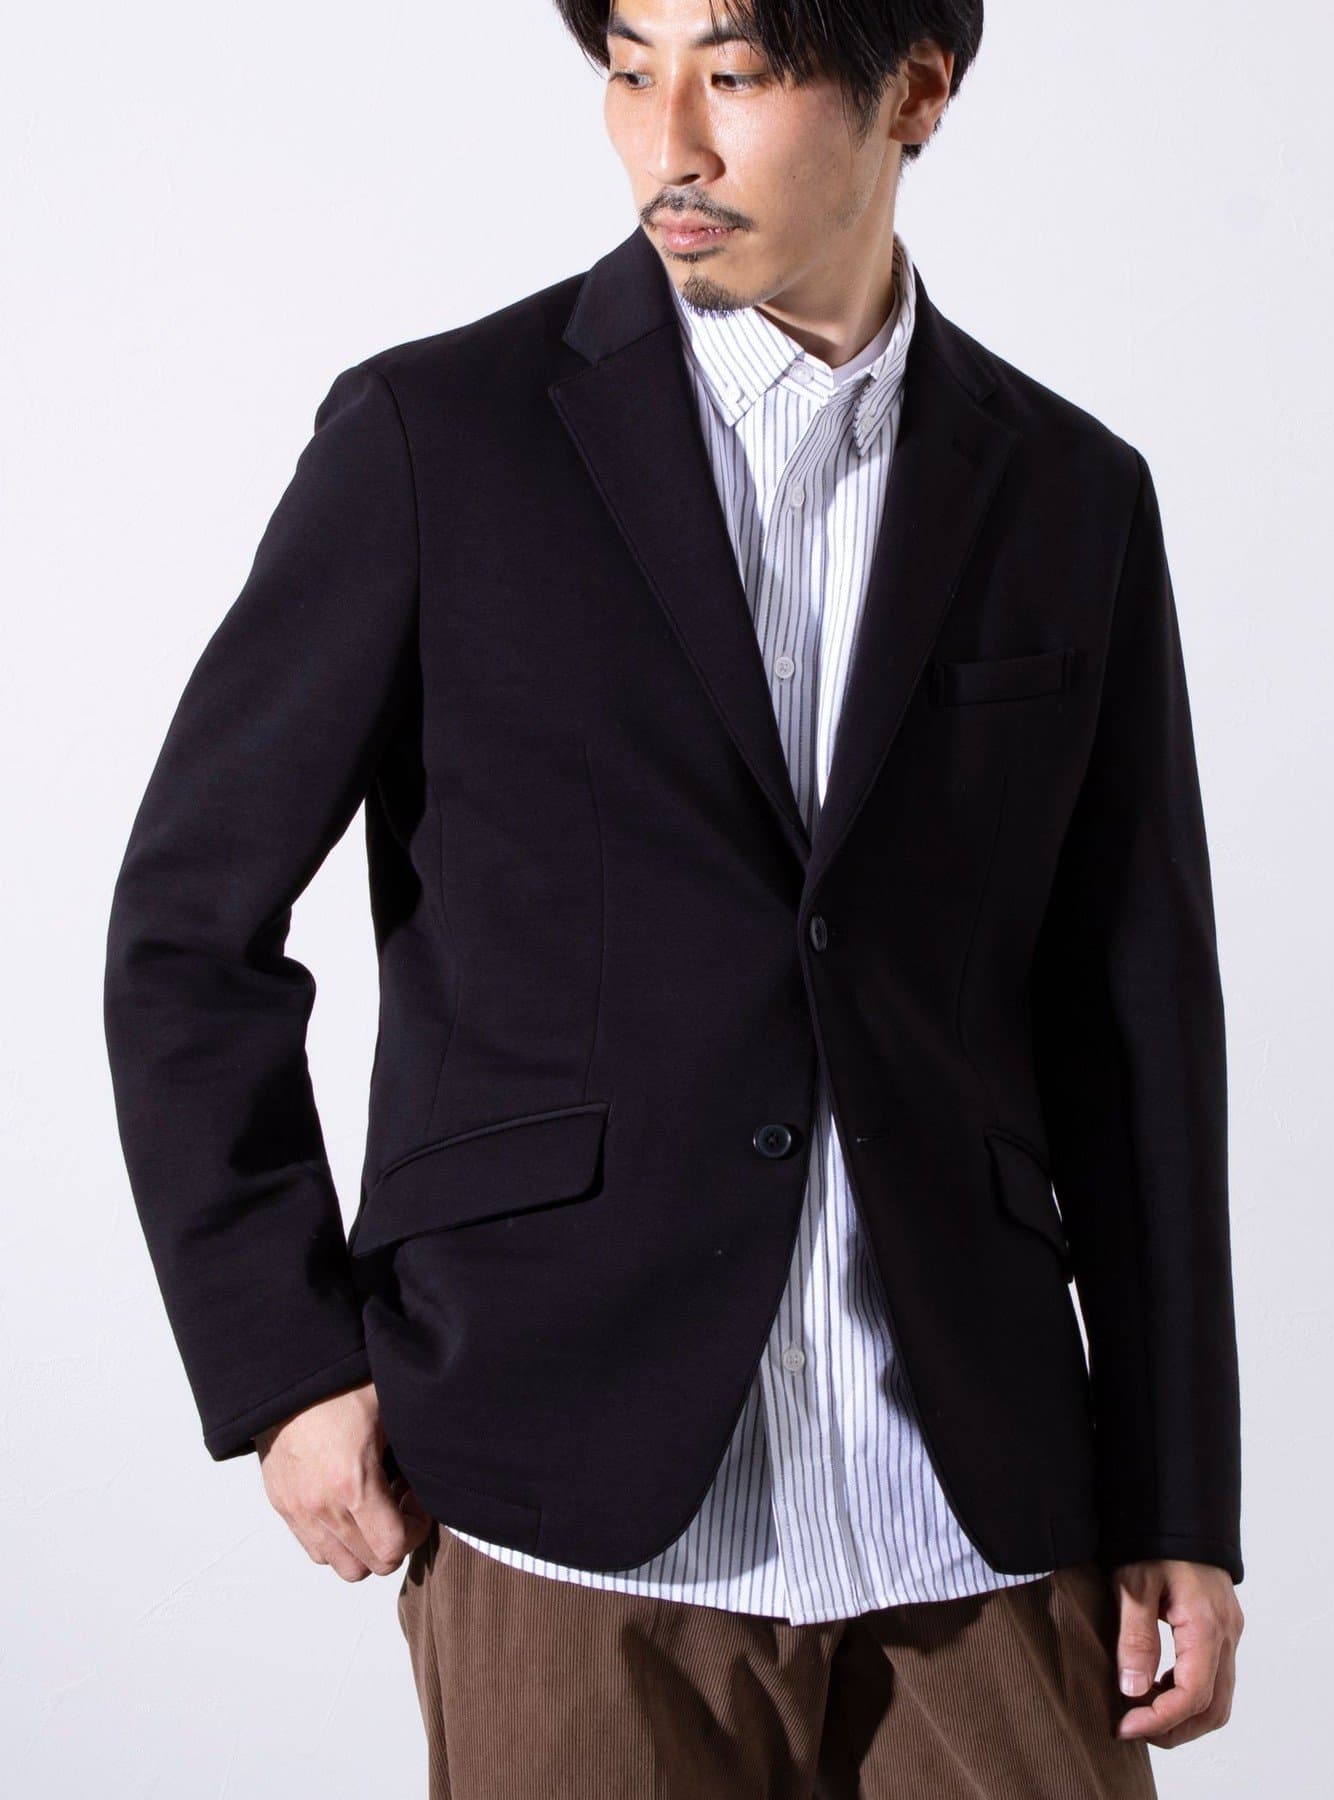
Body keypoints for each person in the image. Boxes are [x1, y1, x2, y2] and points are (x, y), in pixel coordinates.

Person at [102, 2, 1244, 1793]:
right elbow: (188, 929)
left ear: (915, 90)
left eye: (738, 73)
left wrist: (1179, 1490)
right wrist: (285, 1366)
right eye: (631, 70)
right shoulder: (438, 437)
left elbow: (1135, 1019)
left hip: (975, 1499)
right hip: (561, 1489)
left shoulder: (1070, 492)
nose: (670, 144)